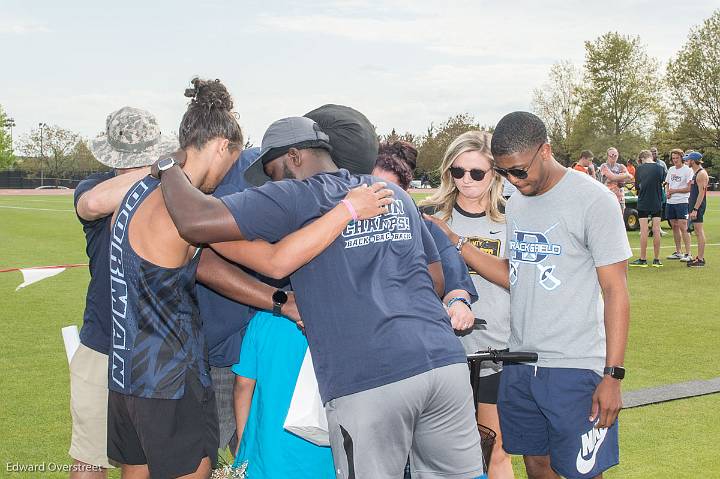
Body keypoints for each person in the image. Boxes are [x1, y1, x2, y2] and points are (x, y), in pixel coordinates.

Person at [157, 116, 486, 479]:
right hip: (444, 364)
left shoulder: (298, 194)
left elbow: (194, 221)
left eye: (273, 172)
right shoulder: (388, 192)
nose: (271, 184)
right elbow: (434, 278)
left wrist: (168, 166)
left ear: (294, 157)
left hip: (371, 378)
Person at [106, 81, 391, 479]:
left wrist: (278, 301)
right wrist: (346, 208)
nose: (226, 176)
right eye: (232, 160)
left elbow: (203, 261)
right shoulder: (186, 211)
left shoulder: (141, 192)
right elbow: (272, 260)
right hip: (171, 380)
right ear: (223, 146)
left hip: (125, 377)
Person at [428, 112, 631, 479]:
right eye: (504, 173)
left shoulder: (593, 199)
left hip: (573, 363)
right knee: (536, 466)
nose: (512, 181)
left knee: (579, 472)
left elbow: (616, 290)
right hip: (519, 362)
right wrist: (457, 242)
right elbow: (514, 274)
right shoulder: (518, 200)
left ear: (545, 151)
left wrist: (612, 375)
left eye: (519, 171)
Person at [70, 106, 177, 479]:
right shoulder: (95, 188)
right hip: (103, 343)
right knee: (89, 457)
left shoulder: (171, 189)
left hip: (153, 349)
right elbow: (94, 204)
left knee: (146, 460)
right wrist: (157, 169)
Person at [420, 130, 515, 479]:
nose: (466, 180)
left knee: (497, 447)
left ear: (495, 173)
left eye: (476, 172)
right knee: (442, 452)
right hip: (442, 352)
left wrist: (457, 244)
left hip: (498, 349)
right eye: (457, 172)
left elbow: (516, 279)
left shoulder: (512, 216)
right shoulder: (429, 214)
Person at [372, 140, 479, 332]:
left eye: (388, 190)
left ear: (405, 192)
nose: (378, 197)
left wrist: (458, 304)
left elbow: (453, 278)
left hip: (414, 335)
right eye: (372, 186)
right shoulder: (345, 224)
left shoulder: (427, 228)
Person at [231, 309, 335, 478]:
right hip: (321, 451)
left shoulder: (264, 318)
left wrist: (243, 438)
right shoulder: (337, 319)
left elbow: (243, 385)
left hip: (266, 452)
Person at [630, 150, 665, 268]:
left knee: (644, 230)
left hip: (643, 201)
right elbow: (662, 182)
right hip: (656, 201)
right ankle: (657, 259)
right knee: (656, 230)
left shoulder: (639, 169)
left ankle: (643, 259)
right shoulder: (660, 168)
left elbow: (637, 186)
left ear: (642, 158)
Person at [664, 149, 693, 262]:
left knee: (683, 226)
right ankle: (678, 252)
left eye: (677, 158)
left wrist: (674, 191)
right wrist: (668, 192)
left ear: (682, 158)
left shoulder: (688, 170)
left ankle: (688, 253)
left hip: (682, 201)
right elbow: (668, 184)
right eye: (673, 158)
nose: (675, 160)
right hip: (671, 202)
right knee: (674, 226)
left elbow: (689, 188)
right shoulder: (671, 169)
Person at [686, 151, 709, 267]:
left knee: (699, 231)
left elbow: (702, 193)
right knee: (696, 231)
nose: (687, 161)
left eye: (688, 159)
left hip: (697, 207)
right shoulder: (696, 173)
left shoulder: (701, 174)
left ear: (693, 161)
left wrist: (695, 209)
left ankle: (700, 259)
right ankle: (699, 257)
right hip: (694, 206)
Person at [599, 147, 632, 211]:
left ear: (618, 156)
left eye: (615, 155)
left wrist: (620, 177)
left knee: (621, 217)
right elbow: (612, 177)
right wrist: (623, 175)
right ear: (607, 156)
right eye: (611, 155)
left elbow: (630, 178)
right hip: (608, 196)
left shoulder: (621, 166)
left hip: (620, 198)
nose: (613, 156)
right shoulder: (604, 166)